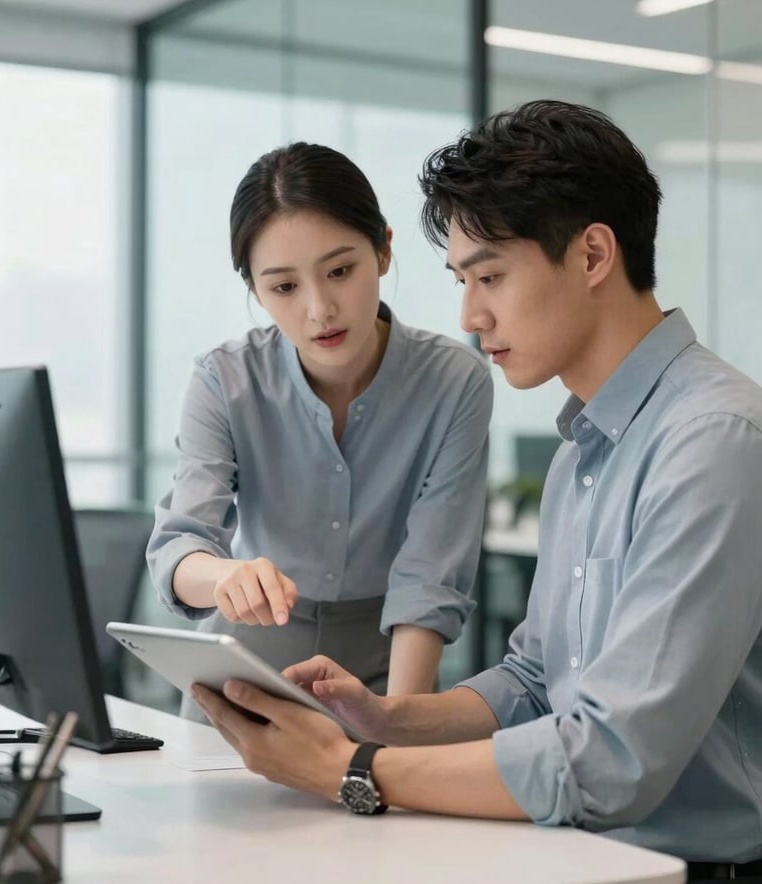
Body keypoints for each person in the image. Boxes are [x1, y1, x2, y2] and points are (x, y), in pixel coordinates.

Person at [191, 100, 762, 883]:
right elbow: (535, 682)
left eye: (489, 276)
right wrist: (386, 717)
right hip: (579, 855)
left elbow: (613, 760)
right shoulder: (583, 452)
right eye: (463, 280)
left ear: (593, 255)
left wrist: (349, 765)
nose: (470, 314)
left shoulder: (713, 442)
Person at [147, 142, 493, 721]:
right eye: (283, 287)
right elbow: (178, 549)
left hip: (385, 668)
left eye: (340, 271)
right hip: (242, 670)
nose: (319, 309)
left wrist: (395, 725)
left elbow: (429, 579)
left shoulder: (454, 381)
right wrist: (227, 576)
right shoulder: (224, 380)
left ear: (383, 250)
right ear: (256, 290)